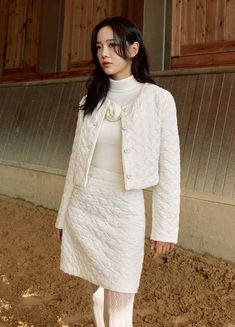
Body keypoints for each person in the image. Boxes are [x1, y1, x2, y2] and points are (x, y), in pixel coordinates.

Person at [55, 16, 180, 327]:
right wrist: (62, 216)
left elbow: (170, 168)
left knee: (122, 294)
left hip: (125, 212)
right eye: (99, 47)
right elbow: (76, 160)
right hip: (85, 208)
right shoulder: (90, 100)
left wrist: (165, 228)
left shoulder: (158, 100)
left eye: (112, 45)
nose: (104, 54)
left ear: (133, 48)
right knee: (97, 291)